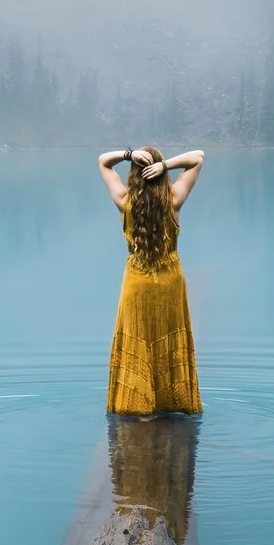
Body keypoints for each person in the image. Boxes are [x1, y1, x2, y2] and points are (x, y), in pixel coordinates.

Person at [97, 146, 205, 415]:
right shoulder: (174, 199)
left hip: (137, 282)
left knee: (139, 338)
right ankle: (173, 402)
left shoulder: (124, 200)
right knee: (169, 338)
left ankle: (139, 406)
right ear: (159, 173)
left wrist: (127, 154)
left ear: (134, 173)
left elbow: (103, 162)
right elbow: (198, 157)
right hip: (170, 280)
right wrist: (165, 165)